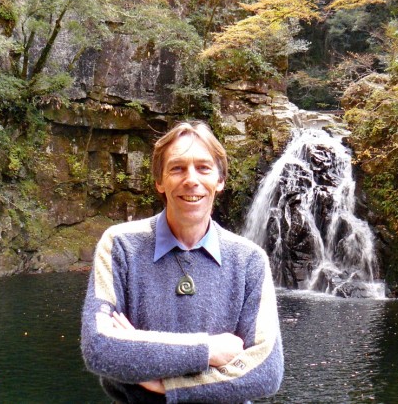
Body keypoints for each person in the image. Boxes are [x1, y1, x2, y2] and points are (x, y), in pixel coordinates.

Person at [81, 121, 284, 403]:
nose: (191, 179)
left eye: (203, 168)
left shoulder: (249, 260)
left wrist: (164, 382)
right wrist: (209, 351)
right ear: (159, 181)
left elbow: (266, 371)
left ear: (220, 180)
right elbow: (100, 349)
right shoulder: (120, 245)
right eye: (177, 168)